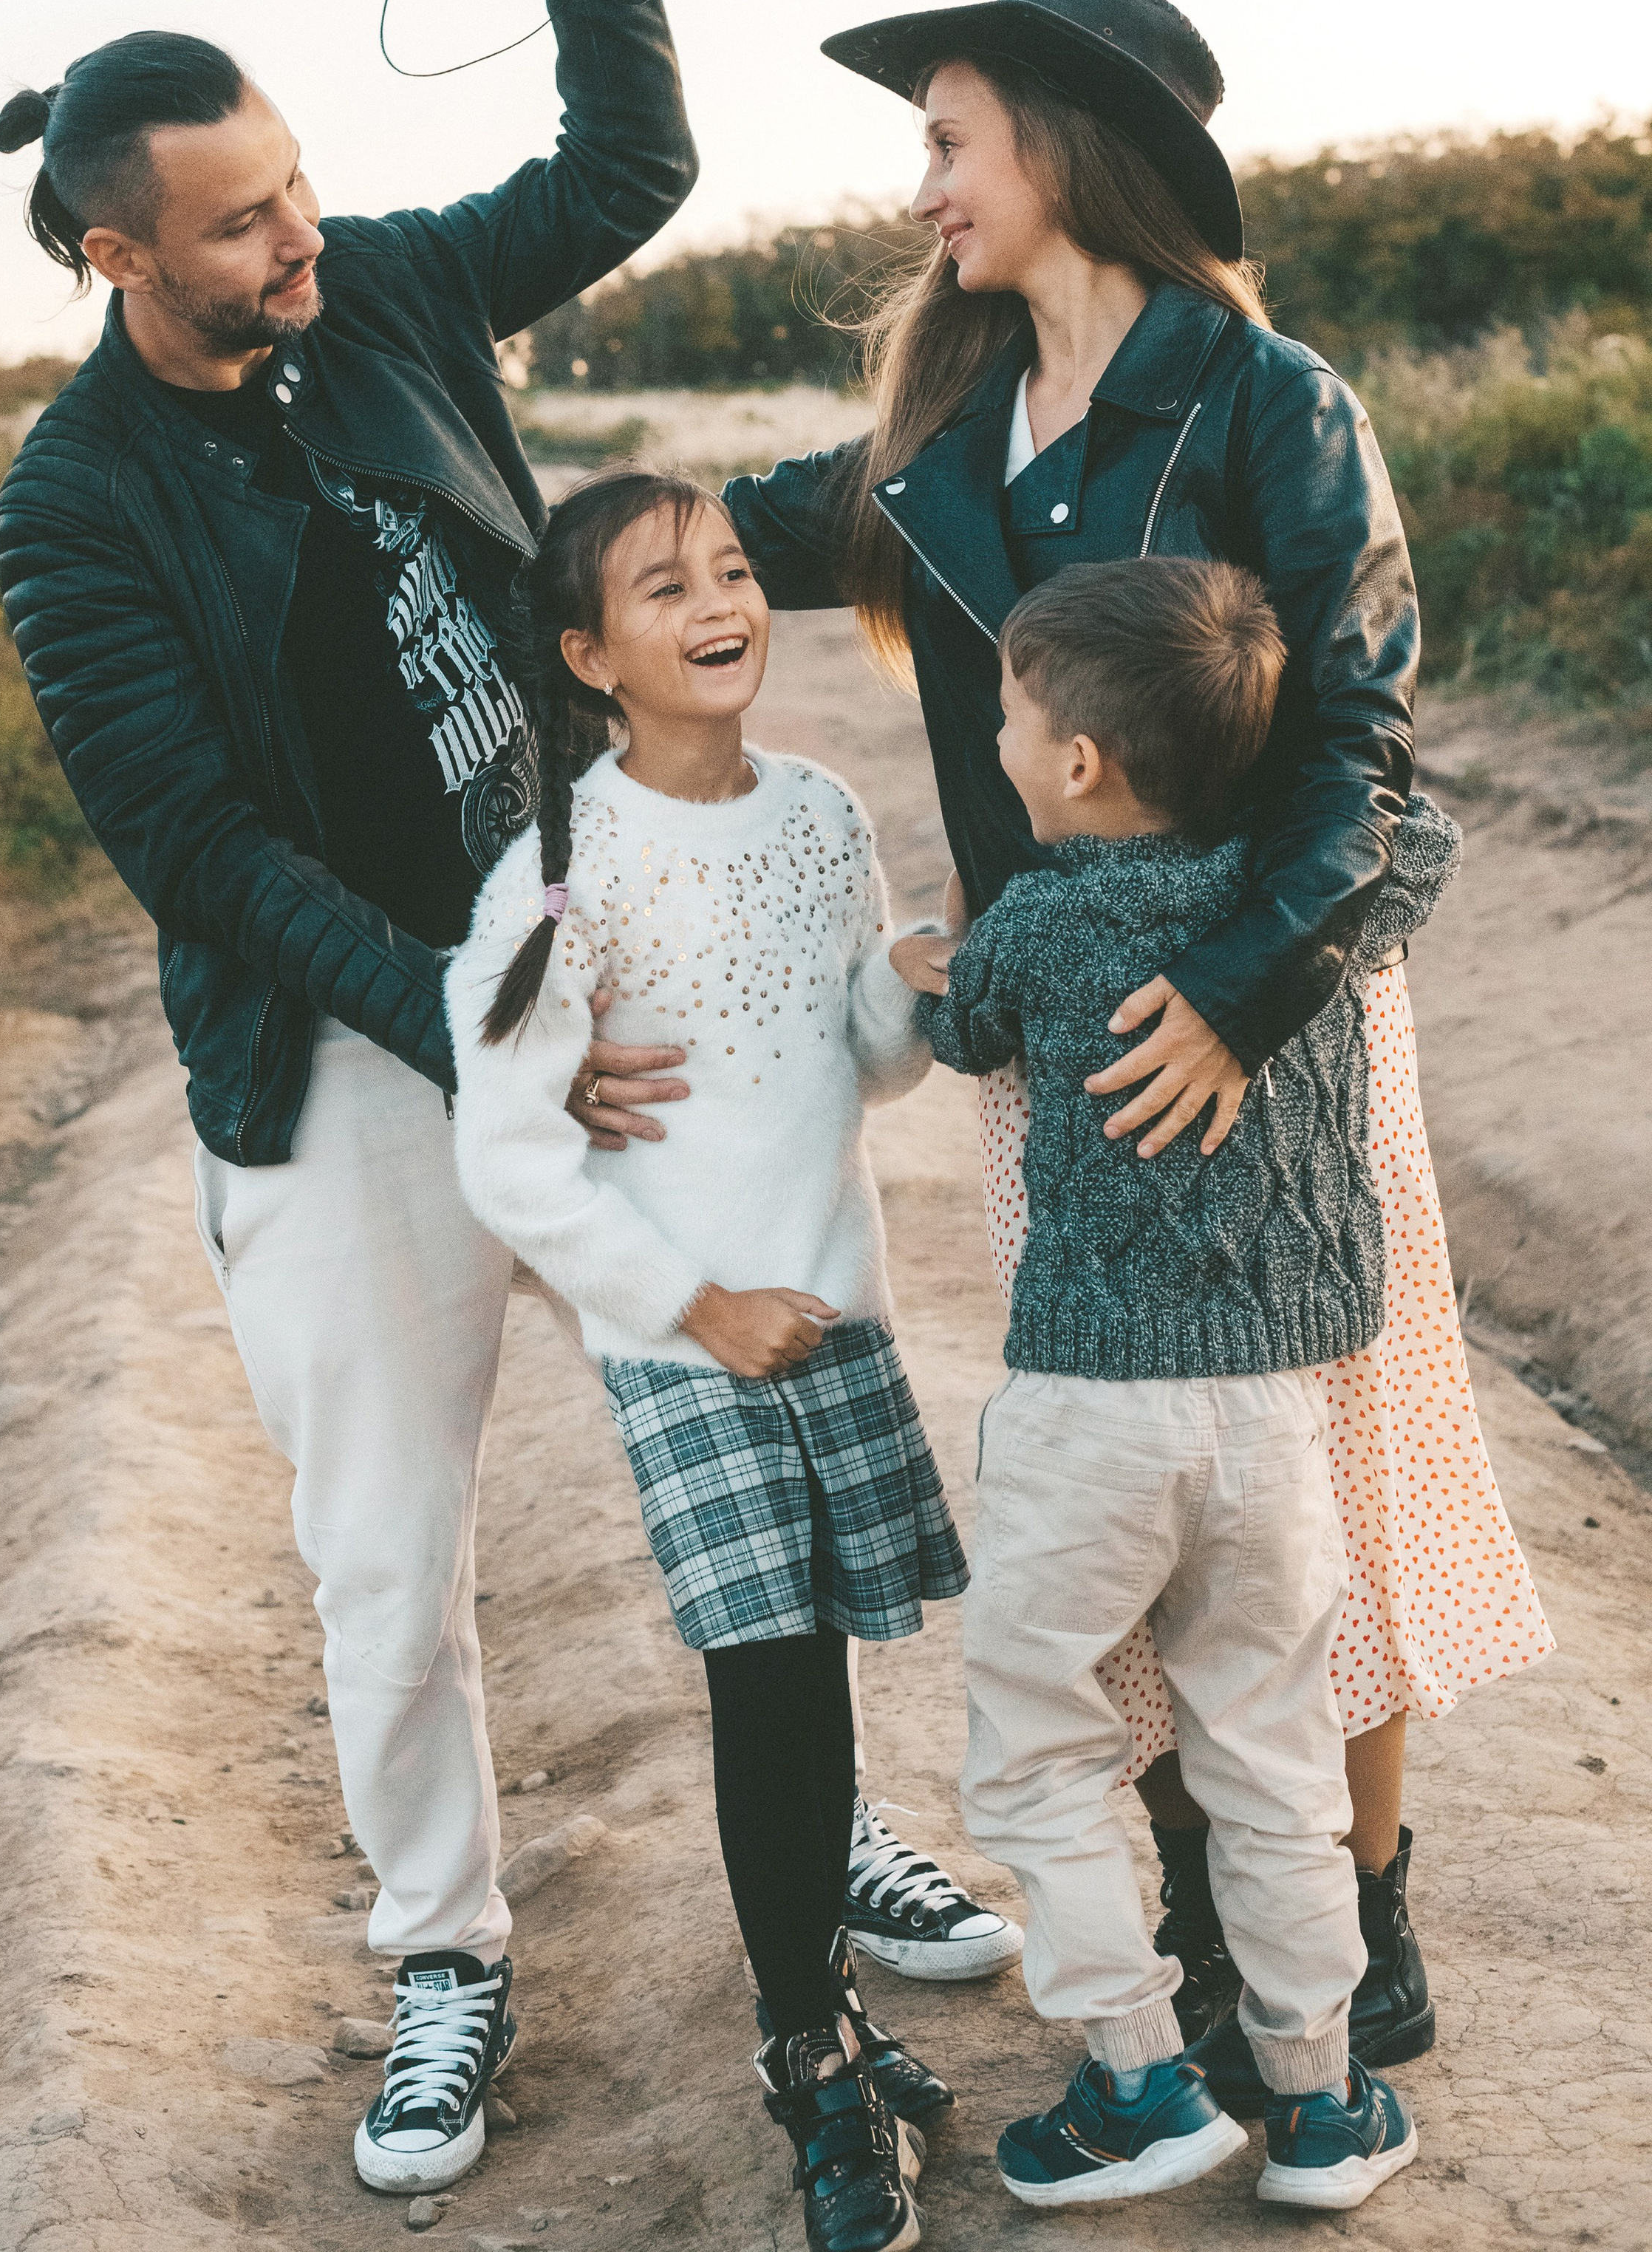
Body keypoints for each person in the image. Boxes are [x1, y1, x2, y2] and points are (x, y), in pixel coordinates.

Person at [723, 0, 1554, 2103]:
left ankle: (1360, 1918)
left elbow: (1359, 746)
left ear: (1065, 148)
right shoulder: (933, 439)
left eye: (948, 141)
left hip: (1275, 1023)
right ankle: (1207, 1910)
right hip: (1060, 1055)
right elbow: (694, 546)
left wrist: (1245, 998)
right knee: (1132, 1483)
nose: (922, 188)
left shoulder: (1269, 398)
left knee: (1322, 1479)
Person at [0, 0, 697, 2194]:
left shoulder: (383, 287)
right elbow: (196, 848)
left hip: (579, 962)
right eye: (241, 221)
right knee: (387, 1556)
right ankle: (444, 1956)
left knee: (737, 1430)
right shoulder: (74, 501)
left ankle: (824, 1827)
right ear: (118, 254)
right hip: (349, 1062)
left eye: (297, 183)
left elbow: (625, 170)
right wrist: (476, 1032)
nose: (301, 236)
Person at [892, 557, 1458, 2209]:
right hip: (1272, 1417)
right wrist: (1281, 771)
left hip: (1088, 1420)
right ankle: (1318, 2098)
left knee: (1035, 1751)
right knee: (1274, 1755)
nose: (996, 739)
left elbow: (962, 1028)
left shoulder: (1038, 921)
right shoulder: (1308, 907)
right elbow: (1414, 839)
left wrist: (925, 947)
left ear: (1077, 764)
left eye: (1009, 716)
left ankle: (1138, 2075)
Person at [444, 469, 965, 2252]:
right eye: (662, 587)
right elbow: (510, 1156)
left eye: (732, 569)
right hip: (690, 1341)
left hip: (828, 1306)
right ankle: (804, 2047)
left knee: (825, 1669)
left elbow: (861, 1061)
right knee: (768, 1678)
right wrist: (690, 1306)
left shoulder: (818, 809)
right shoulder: (559, 874)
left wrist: (906, 978)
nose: (718, 601)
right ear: (589, 655)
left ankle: (829, 1996)